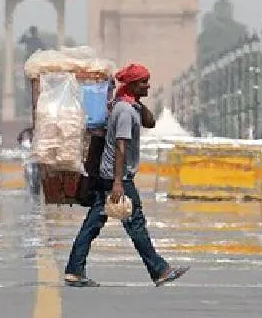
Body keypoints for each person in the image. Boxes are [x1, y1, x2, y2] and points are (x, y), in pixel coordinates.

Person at [63, 62, 190, 288]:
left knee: (93, 224)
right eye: (143, 82)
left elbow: (151, 122)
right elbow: (121, 147)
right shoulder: (124, 111)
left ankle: (74, 270)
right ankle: (160, 270)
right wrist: (118, 183)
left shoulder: (130, 106)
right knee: (135, 223)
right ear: (132, 84)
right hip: (116, 177)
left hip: (110, 175)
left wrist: (138, 101)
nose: (148, 86)